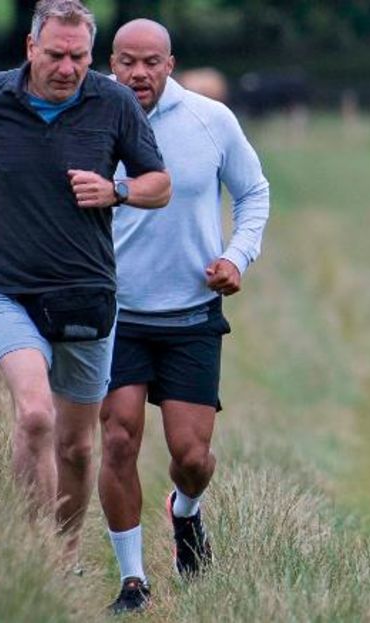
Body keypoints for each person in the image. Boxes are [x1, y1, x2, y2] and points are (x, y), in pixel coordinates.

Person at [0, 0, 170, 568]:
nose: (68, 67)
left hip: (87, 296)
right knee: (34, 415)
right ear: (31, 48)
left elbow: (160, 183)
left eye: (79, 56)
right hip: (9, 290)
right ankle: (32, 558)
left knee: (78, 448)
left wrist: (117, 191)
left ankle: (66, 553)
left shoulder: (115, 103)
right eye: (55, 54)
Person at [99, 19, 270, 614]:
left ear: (170, 64)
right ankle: (132, 580)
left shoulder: (211, 119)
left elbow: (254, 193)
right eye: (126, 62)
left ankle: (185, 513)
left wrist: (235, 256)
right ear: (110, 63)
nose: (138, 73)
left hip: (192, 313)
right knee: (118, 436)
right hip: (115, 312)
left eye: (151, 62)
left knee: (192, 458)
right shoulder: (90, 118)